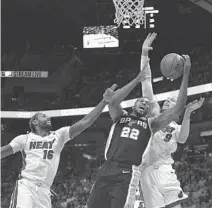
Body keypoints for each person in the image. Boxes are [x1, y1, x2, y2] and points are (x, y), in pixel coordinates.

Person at [87, 33, 190, 208]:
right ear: (135, 105)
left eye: (146, 101)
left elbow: (178, 109)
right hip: (133, 169)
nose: (144, 101)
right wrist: (144, 52)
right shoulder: (126, 117)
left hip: (145, 169)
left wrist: (186, 73)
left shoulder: (153, 123)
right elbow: (145, 80)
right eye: (141, 100)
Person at [0, 84, 117, 208]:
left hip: (44, 191)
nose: (48, 117)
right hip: (27, 187)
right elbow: (3, 151)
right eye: (44, 116)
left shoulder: (59, 135)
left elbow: (85, 122)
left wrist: (104, 101)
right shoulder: (24, 139)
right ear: (35, 122)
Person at [138, 33, 204, 208]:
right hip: (147, 170)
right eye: (168, 99)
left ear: (178, 110)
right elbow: (146, 83)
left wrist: (189, 112)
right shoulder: (155, 116)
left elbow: (182, 139)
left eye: (173, 99)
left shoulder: (175, 127)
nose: (169, 99)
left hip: (166, 170)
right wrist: (144, 53)